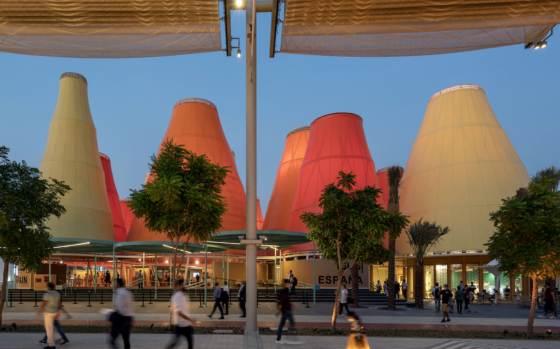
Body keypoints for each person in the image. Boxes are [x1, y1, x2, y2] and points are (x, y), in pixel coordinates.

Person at [166, 279, 197, 349]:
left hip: (186, 324)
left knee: (190, 342)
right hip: (179, 324)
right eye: (181, 285)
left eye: (183, 284)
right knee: (175, 343)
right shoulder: (176, 297)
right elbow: (179, 313)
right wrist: (190, 319)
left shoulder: (185, 296)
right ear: (178, 286)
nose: (183, 286)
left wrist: (189, 320)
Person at [36, 282, 62, 349]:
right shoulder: (57, 293)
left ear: (48, 287)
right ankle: (53, 341)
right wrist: (58, 313)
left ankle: (51, 345)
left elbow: (43, 304)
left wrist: (39, 313)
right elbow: (59, 304)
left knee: (49, 329)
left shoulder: (47, 294)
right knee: (51, 328)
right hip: (55, 312)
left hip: (48, 313)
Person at [110, 278, 134, 349]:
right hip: (129, 317)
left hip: (121, 318)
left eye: (115, 284)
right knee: (126, 340)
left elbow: (120, 307)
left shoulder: (119, 292)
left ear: (118, 284)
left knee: (112, 340)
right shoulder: (128, 292)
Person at [276, 279, 295, 345]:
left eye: (289, 284)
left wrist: (291, 305)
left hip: (286, 310)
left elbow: (285, 300)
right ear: (285, 284)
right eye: (288, 283)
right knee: (292, 323)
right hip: (286, 310)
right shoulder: (284, 291)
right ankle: (288, 337)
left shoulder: (286, 291)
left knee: (282, 324)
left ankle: (278, 339)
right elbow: (281, 301)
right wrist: (278, 311)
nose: (289, 285)